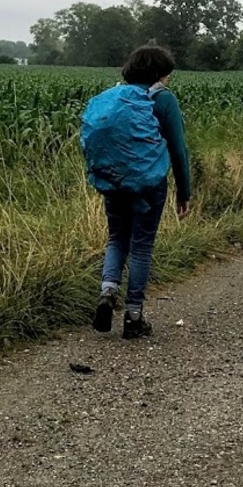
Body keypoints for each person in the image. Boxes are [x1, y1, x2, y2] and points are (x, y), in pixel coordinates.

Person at [81, 45, 192, 339]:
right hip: (149, 186)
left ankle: (107, 292)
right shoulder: (163, 99)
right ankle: (133, 317)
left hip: (114, 182)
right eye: (167, 72)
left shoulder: (116, 96)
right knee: (141, 246)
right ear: (160, 73)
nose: (168, 78)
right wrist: (184, 191)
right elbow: (178, 150)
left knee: (117, 239)